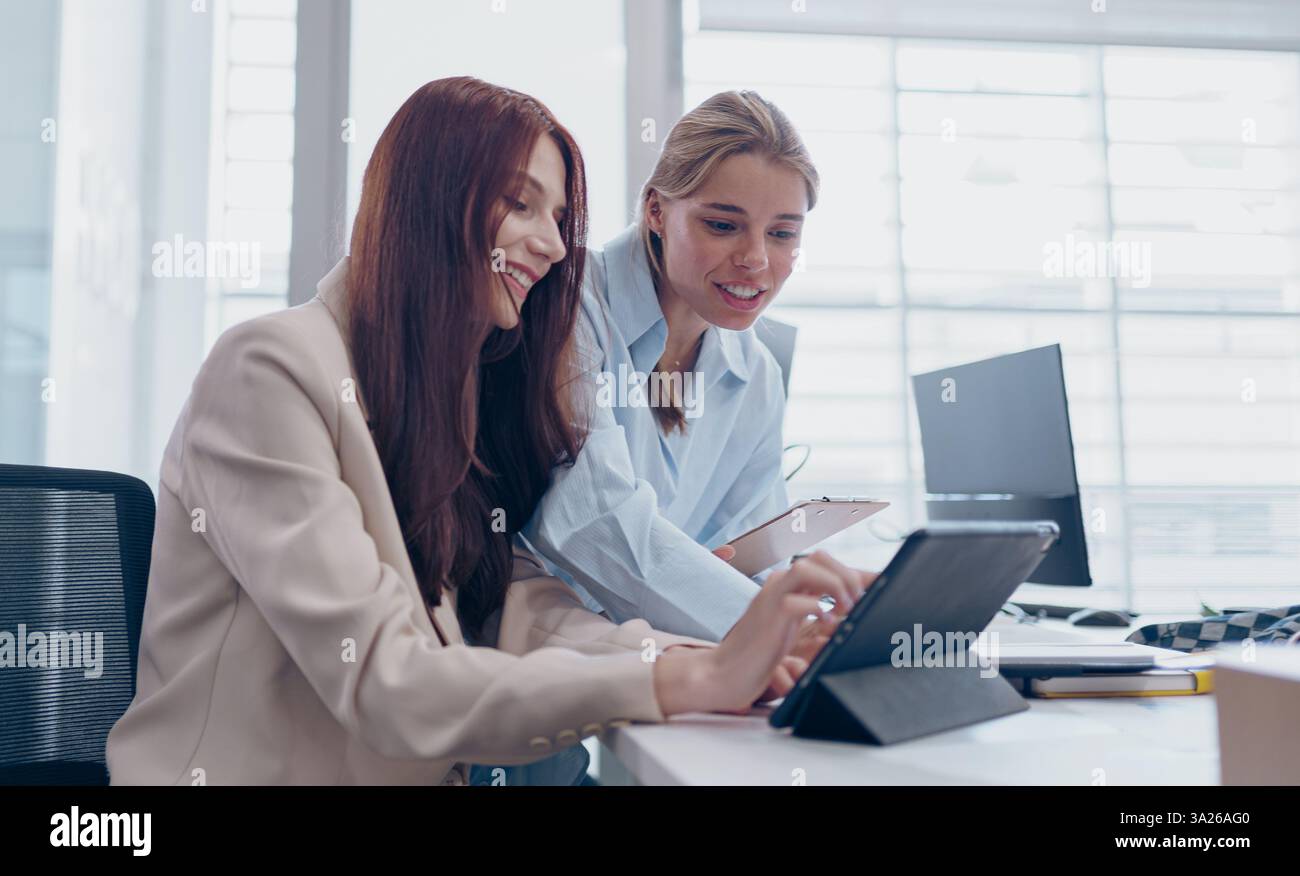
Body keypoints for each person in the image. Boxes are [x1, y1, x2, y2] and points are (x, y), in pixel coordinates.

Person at [105, 77, 864, 786]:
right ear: (430, 200)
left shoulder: (451, 381)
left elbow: (511, 606)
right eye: (522, 205)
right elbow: (384, 677)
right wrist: (685, 674)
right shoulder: (269, 370)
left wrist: (720, 652)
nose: (556, 245)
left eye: (560, 218)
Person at [524, 90, 862, 642]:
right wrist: (770, 631)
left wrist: (813, 609)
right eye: (723, 225)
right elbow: (591, 520)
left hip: (672, 658)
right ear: (657, 210)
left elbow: (749, 555)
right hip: (545, 655)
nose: (756, 259)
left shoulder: (755, 373)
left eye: (783, 234)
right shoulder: (570, 301)